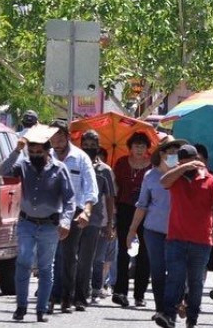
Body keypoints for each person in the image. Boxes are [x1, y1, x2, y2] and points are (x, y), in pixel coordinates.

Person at [1, 126, 75, 322]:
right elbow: (2, 171)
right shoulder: (23, 165)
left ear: (47, 150)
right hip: (26, 222)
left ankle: (41, 309)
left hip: (50, 225)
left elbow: (69, 199)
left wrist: (66, 221)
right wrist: (17, 150)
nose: (34, 155)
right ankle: (21, 307)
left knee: (45, 267)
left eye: (38, 152)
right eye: (31, 151)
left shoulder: (60, 169)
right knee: (23, 261)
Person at [156, 145, 213, 328]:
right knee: (175, 278)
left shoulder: (211, 181)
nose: (189, 164)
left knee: (195, 281)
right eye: (183, 160)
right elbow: (163, 182)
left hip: (201, 240)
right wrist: (182, 168)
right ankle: (168, 315)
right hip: (176, 237)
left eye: (192, 160)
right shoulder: (175, 177)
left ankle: (192, 317)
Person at [48, 119, 99, 313]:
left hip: (74, 211)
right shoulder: (46, 156)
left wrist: (87, 210)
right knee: (50, 254)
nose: (57, 140)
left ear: (67, 136)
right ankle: (51, 295)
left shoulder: (81, 158)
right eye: (53, 136)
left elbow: (90, 187)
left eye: (60, 136)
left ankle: (67, 297)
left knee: (68, 256)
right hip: (50, 211)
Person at [128, 139, 182, 320]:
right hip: (154, 230)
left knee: (176, 271)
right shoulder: (150, 176)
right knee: (158, 270)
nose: (173, 156)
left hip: (179, 231)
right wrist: (132, 230)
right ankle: (161, 309)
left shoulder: (183, 175)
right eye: (170, 152)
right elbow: (142, 205)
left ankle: (175, 304)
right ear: (162, 155)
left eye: (177, 152)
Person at [75, 133, 116, 310]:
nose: (89, 147)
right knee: (72, 257)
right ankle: (71, 291)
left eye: (92, 144)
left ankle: (89, 292)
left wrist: (109, 223)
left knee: (92, 258)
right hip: (74, 217)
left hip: (95, 220)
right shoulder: (75, 164)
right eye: (86, 143)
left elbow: (109, 198)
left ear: (98, 146)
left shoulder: (105, 170)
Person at [112, 132, 152, 308]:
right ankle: (120, 291)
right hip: (124, 208)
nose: (139, 148)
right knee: (123, 250)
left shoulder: (153, 166)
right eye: (136, 145)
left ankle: (140, 294)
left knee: (145, 253)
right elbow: (114, 186)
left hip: (147, 211)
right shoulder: (120, 163)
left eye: (142, 145)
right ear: (130, 147)